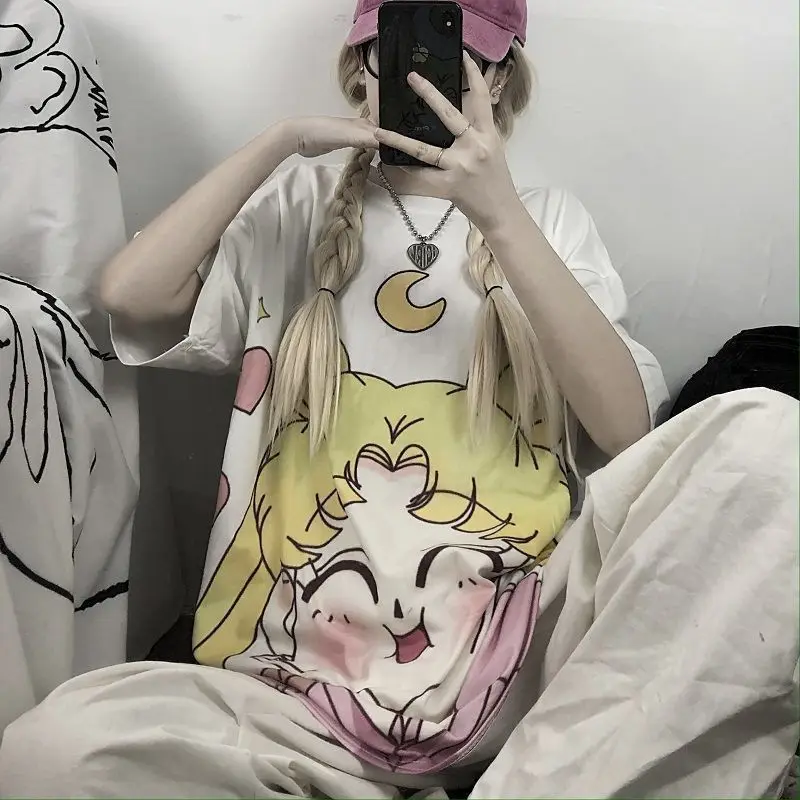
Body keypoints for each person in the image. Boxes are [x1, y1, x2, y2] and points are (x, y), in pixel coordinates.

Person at [1, 0, 797, 797]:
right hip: (298, 695)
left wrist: (500, 215)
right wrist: (279, 142)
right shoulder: (297, 205)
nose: (426, 79)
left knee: (771, 433)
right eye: (403, 53)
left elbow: (626, 429)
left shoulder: (548, 221)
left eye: (457, 58)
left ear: (500, 81)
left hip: (522, 675)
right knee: (48, 754)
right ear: (362, 67)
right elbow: (130, 296)